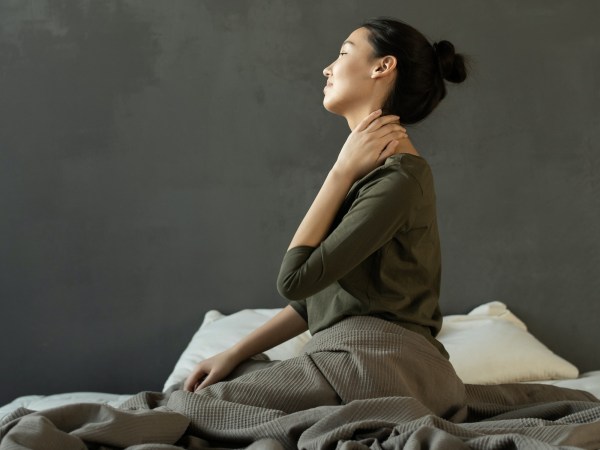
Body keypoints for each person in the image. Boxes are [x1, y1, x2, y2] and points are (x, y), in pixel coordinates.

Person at [183, 15, 470, 429]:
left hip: (384, 363)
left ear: (382, 67)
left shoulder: (400, 178)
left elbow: (293, 280)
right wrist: (234, 352)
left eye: (343, 53)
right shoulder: (375, 173)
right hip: (352, 358)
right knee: (218, 384)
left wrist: (339, 172)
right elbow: (313, 296)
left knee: (189, 410)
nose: (328, 67)